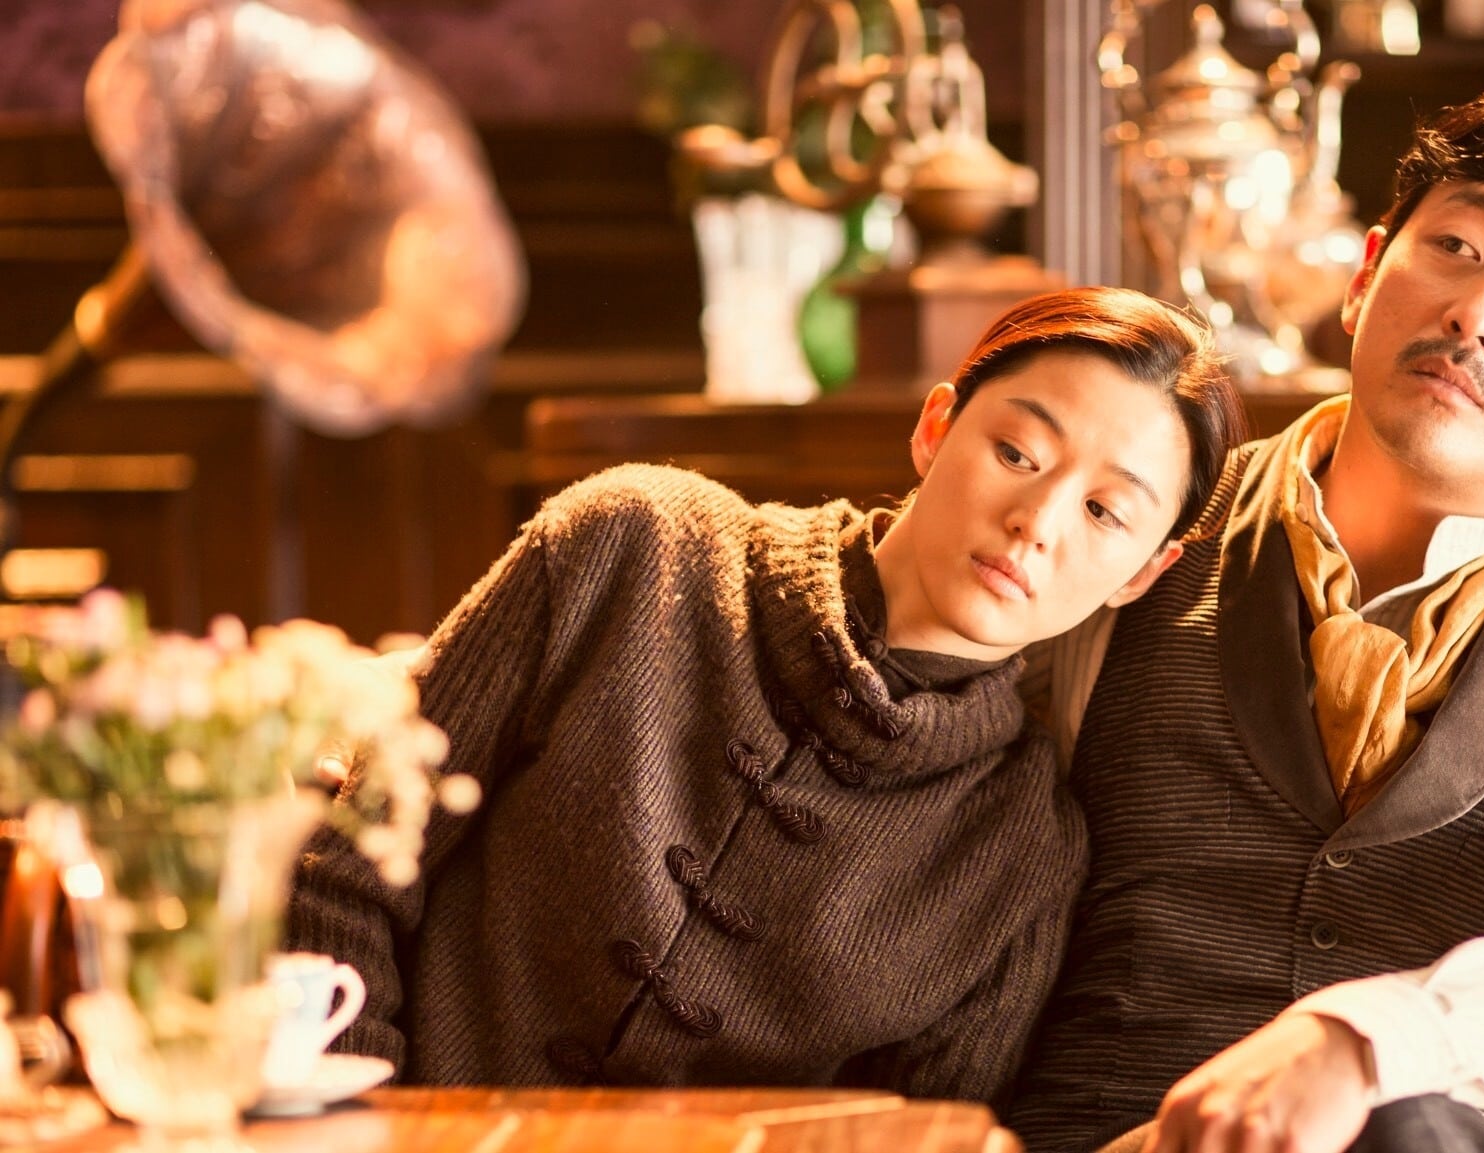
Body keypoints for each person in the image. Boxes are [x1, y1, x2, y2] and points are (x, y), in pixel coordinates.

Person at [1005, 84, 1484, 1153]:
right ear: (1361, 280)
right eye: (1456, 246)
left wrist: (1364, 1042)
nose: (1477, 313)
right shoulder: (1136, 522)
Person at [285, 286, 1247, 1101]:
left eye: (1104, 511)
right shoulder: (632, 546)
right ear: (936, 426)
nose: (1037, 521)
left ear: (1142, 574)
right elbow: (341, 879)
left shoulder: (1018, 853)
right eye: (1019, 453)